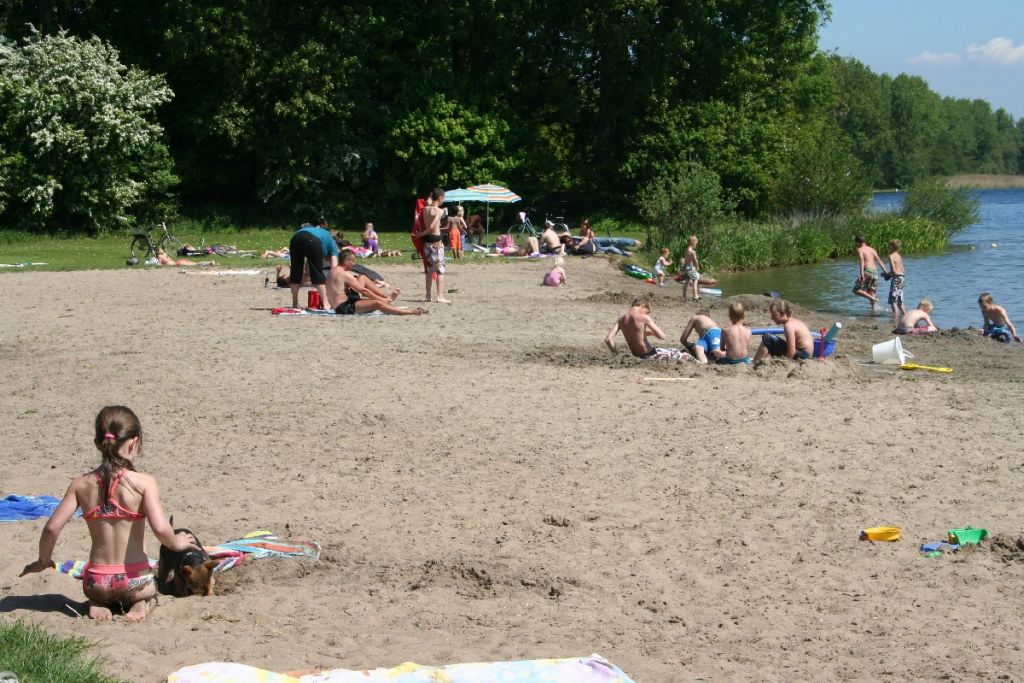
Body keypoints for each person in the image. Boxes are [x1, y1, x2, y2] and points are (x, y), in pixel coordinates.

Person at [19, 406, 197, 621]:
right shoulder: (144, 483)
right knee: (150, 593)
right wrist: (176, 543)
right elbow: (160, 528)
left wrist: (43, 560)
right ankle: (141, 605)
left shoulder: (80, 484)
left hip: (97, 583)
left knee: (100, 594)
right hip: (135, 581)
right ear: (134, 442)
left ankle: (97, 603)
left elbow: (52, 527)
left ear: (98, 444)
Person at [327, 249, 425, 316]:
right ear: (346, 261)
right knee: (377, 303)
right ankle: (409, 312)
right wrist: (380, 300)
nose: (354, 264)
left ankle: (387, 297)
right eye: (353, 262)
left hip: (345, 301)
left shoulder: (333, 270)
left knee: (363, 277)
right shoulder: (345, 274)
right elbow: (364, 291)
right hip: (345, 307)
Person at [605, 296, 689, 360]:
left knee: (666, 350)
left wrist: (615, 354)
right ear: (643, 305)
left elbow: (608, 339)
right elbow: (662, 336)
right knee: (679, 352)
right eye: (648, 311)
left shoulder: (621, 319)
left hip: (636, 356)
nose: (649, 313)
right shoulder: (643, 317)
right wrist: (652, 333)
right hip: (650, 354)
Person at [288, 222, 339, 310]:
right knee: (317, 273)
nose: (326, 260)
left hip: (295, 238)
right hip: (311, 239)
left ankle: (295, 303)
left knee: (295, 272)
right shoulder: (333, 245)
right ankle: (326, 303)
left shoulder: (321, 236)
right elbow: (334, 270)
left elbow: (307, 269)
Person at [415, 188, 452, 303]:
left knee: (429, 269)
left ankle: (428, 296)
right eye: (443, 197)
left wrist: (421, 235)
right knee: (440, 270)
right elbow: (431, 227)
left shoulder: (425, 209)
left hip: (427, 243)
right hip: (436, 243)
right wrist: (421, 234)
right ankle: (440, 296)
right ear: (440, 197)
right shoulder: (439, 211)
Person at [853, 235, 886, 312]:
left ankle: (873, 299)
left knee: (856, 290)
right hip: (874, 272)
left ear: (858, 242)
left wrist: (861, 274)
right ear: (865, 241)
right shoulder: (872, 250)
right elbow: (879, 260)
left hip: (867, 272)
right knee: (872, 293)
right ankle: (874, 312)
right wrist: (885, 271)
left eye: (856, 243)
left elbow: (862, 260)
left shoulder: (860, 249)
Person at [884, 239, 906, 320]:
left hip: (896, 279)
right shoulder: (899, 256)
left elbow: (893, 270)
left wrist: (887, 274)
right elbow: (903, 270)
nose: (888, 247)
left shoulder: (891, 256)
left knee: (892, 301)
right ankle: (906, 317)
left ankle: (895, 319)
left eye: (889, 246)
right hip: (902, 278)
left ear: (892, 247)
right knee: (900, 302)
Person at [680, 235, 701, 301]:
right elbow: (695, 261)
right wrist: (697, 267)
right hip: (691, 268)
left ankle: (684, 296)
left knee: (686, 282)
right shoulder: (693, 252)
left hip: (686, 268)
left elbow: (685, 259)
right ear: (693, 243)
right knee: (695, 281)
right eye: (696, 244)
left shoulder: (686, 251)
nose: (696, 246)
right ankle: (695, 296)